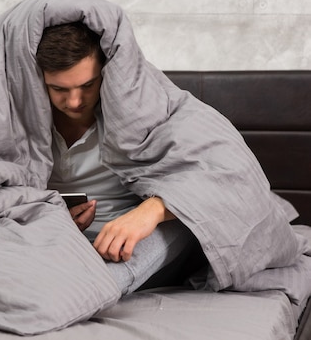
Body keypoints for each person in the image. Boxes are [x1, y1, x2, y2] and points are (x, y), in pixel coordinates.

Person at [36, 22, 200, 294]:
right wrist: (50, 221)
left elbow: (209, 180)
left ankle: (89, 292)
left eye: (87, 85)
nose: (75, 101)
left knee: (186, 222)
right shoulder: (21, 125)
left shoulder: (146, 112)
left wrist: (152, 211)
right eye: (59, 90)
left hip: (138, 252)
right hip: (56, 247)